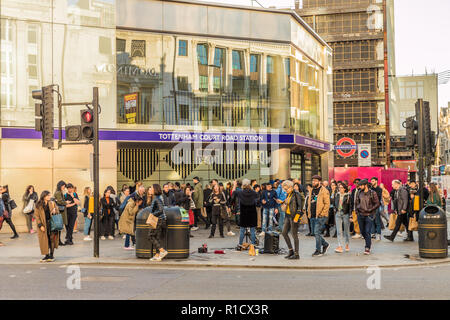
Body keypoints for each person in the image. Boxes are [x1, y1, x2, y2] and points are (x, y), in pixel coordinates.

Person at [232, 179, 259, 250]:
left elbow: (233, 193)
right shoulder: (253, 192)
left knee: (242, 230)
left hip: (244, 213)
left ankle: (240, 245)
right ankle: (253, 245)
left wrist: (234, 185)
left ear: (243, 185)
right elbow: (257, 199)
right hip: (252, 213)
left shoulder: (240, 192)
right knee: (252, 230)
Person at [355, 179, 380, 255]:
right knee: (362, 232)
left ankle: (367, 247)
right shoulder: (359, 192)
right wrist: (357, 211)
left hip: (369, 215)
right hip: (360, 215)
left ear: (365, 185)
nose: (359, 186)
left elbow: (377, 204)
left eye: (361, 185)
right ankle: (368, 241)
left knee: (367, 231)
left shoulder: (373, 193)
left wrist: (370, 210)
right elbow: (356, 202)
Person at [281, 180, 304, 260]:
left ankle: (297, 254)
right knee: (284, 232)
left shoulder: (296, 194)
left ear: (291, 187)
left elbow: (300, 207)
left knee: (294, 235)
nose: (286, 190)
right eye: (284, 189)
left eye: (286, 189)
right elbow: (288, 204)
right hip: (288, 216)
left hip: (294, 216)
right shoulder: (289, 194)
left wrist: (297, 217)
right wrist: (282, 202)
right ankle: (291, 250)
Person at [308, 176, 330, 257]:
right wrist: (308, 212)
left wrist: (322, 213)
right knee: (315, 233)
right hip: (313, 214)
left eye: (315, 181)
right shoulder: (311, 190)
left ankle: (318, 250)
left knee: (317, 232)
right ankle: (325, 244)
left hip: (320, 215)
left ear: (319, 182)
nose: (313, 182)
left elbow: (327, 204)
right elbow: (310, 201)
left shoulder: (324, 190)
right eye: (312, 180)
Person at [35, 191, 60, 262]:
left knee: (52, 239)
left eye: (49, 195)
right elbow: (37, 216)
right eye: (48, 195)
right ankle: (46, 255)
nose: (49, 197)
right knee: (45, 240)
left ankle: (51, 255)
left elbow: (57, 212)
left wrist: (55, 211)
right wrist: (40, 225)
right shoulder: (38, 205)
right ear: (44, 196)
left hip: (52, 223)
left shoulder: (52, 203)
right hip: (43, 224)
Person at [147, 184, 169, 261]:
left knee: (150, 236)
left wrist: (152, 215)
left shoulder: (157, 198)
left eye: (151, 188)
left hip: (158, 220)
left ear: (155, 189)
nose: (150, 189)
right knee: (157, 237)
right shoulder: (158, 197)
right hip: (161, 220)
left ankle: (162, 251)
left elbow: (160, 210)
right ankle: (157, 255)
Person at [334, 184, 351, 253]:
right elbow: (334, 203)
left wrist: (350, 216)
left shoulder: (348, 195)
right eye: (339, 188)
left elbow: (350, 206)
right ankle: (340, 246)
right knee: (339, 231)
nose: (340, 189)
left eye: (341, 188)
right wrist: (335, 210)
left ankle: (347, 244)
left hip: (345, 214)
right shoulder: (337, 195)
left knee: (346, 230)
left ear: (344, 189)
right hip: (338, 213)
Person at [53, 180, 67, 246]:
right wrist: (66, 202)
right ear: (60, 186)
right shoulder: (58, 192)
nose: (64, 187)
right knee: (59, 227)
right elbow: (60, 201)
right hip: (60, 212)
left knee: (59, 227)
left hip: (60, 211)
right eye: (63, 186)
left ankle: (58, 241)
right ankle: (58, 241)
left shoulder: (58, 192)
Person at [370, 177, 383, 241]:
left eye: (373, 181)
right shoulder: (370, 188)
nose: (371, 182)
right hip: (370, 207)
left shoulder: (379, 189)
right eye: (371, 181)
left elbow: (378, 198)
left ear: (376, 181)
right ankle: (372, 233)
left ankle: (378, 234)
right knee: (371, 220)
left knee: (377, 220)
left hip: (377, 206)